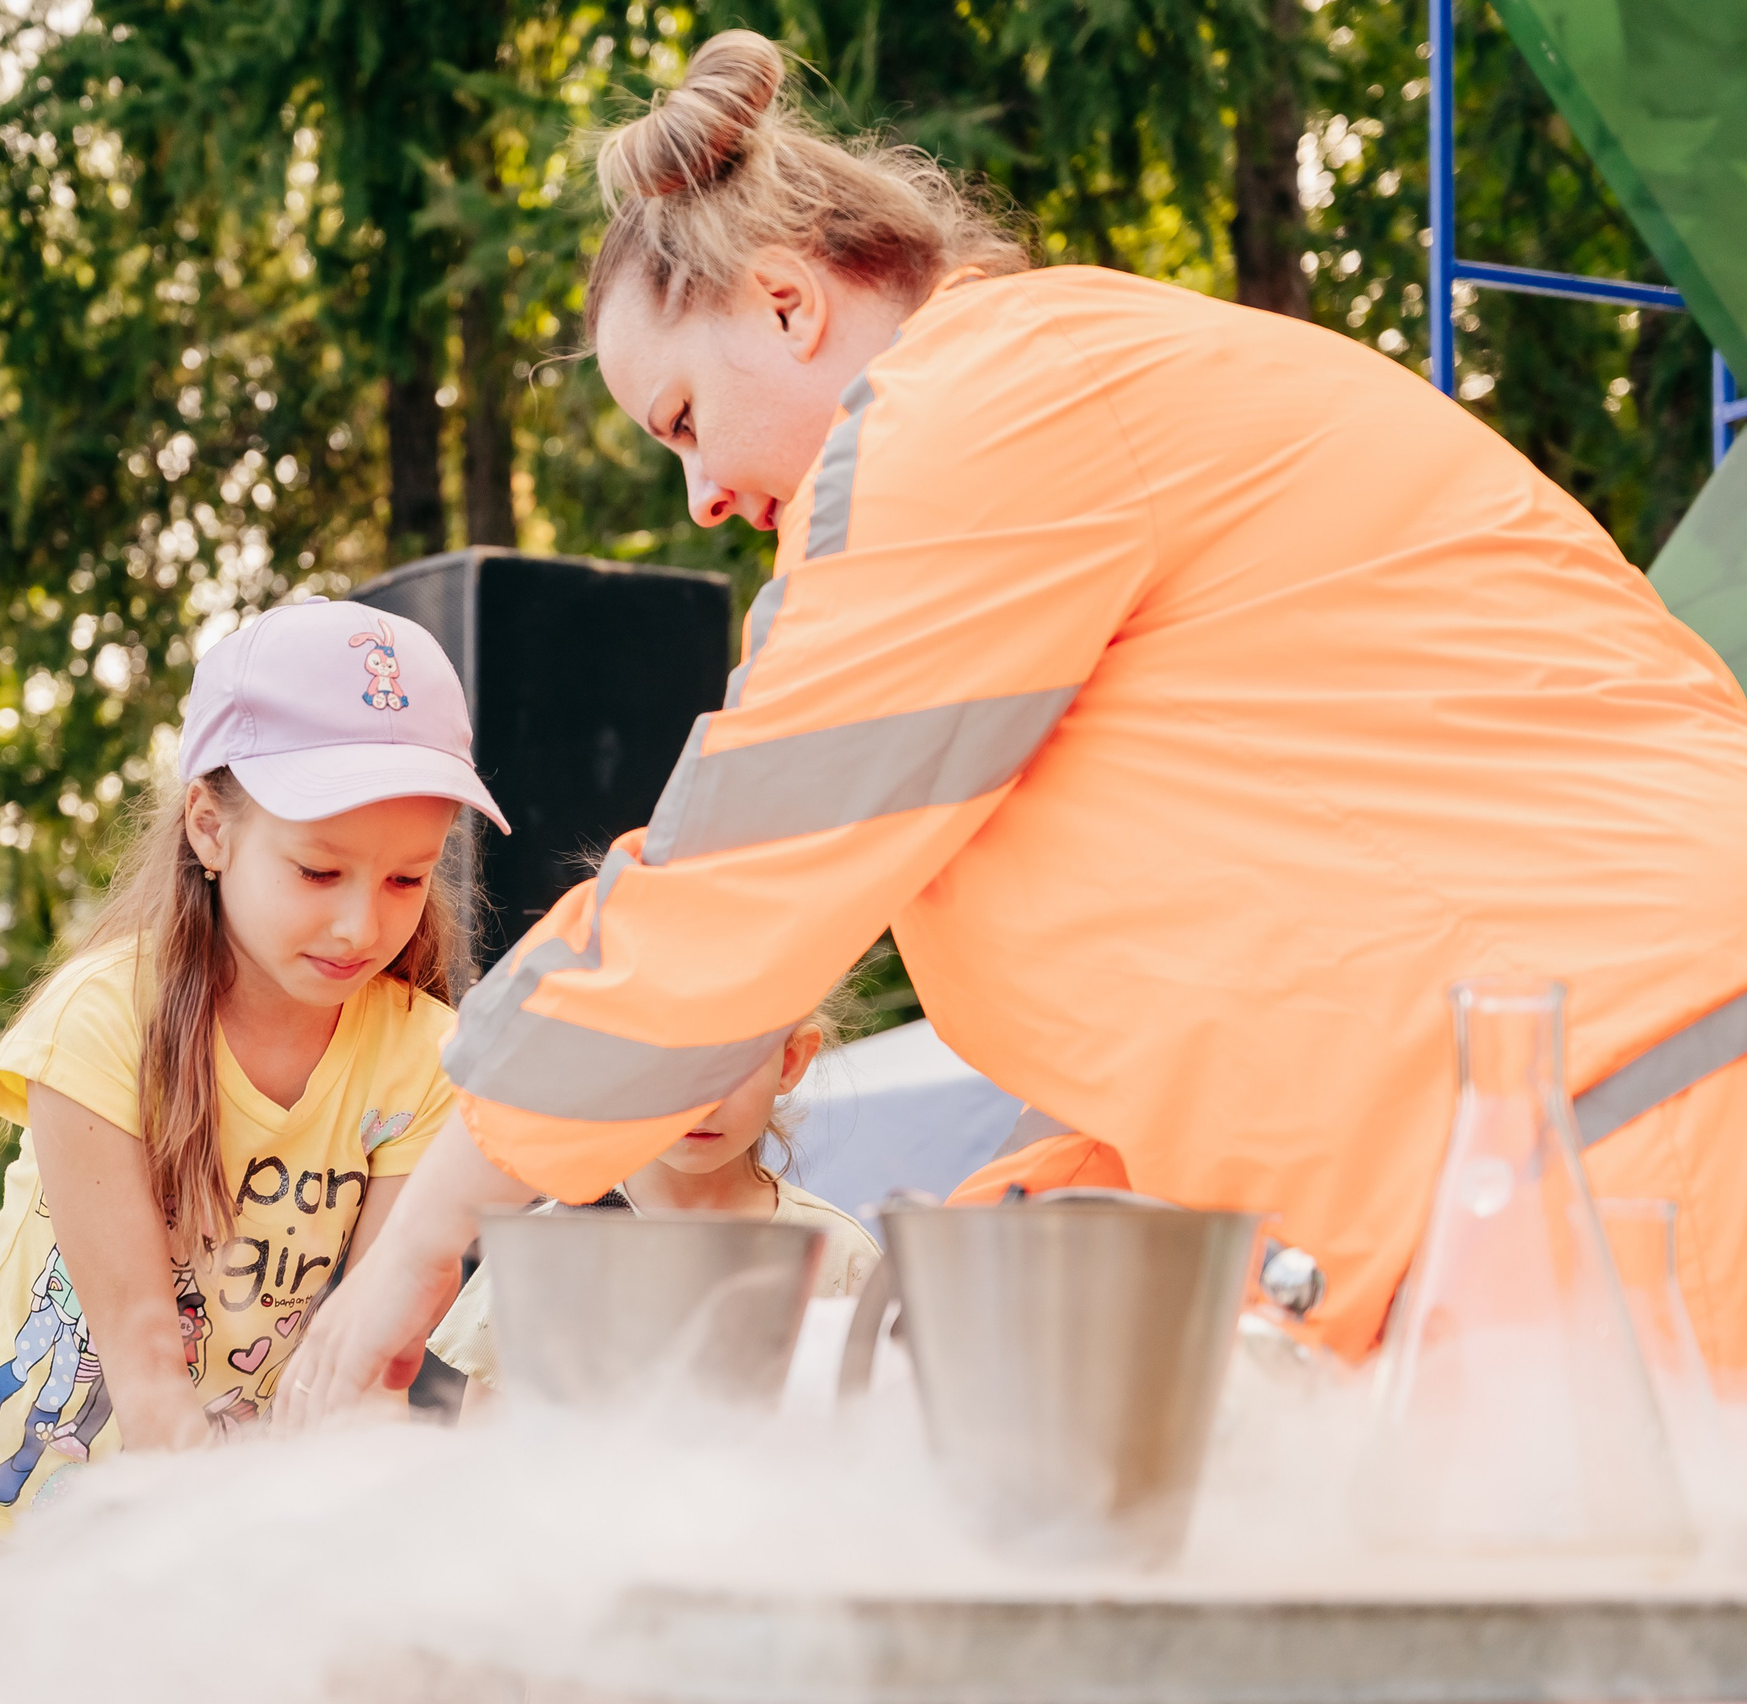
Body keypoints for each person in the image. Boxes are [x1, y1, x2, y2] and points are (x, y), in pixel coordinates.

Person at [278, 27, 1747, 1421]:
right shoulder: (1072, 402)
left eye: (678, 423)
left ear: (788, 305)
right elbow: (1258, 962)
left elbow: (746, 869)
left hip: (1631, 1114)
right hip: (1596, 1123)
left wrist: (422, 1244)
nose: (703, 498)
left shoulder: (984, 401)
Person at [0, 600, 511, 1559]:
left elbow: (365, 1365)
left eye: (406, 880)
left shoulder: (425, 1055)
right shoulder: (102, 1020)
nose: (360, 928)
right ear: (210, 829)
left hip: (219, 1502)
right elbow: (145, 1362)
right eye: (319, 871)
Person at [427, 998, 878, 1409]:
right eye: (666, 1062)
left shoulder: (840, 1255)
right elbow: (488, 1446)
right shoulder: (546, 1249)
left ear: (790, 1060)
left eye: (731, 1063)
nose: (700, 1104)